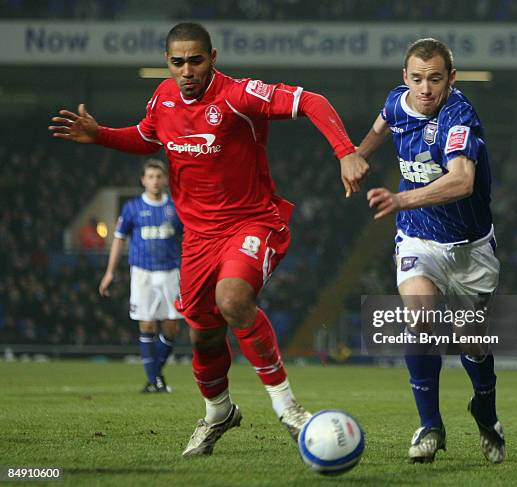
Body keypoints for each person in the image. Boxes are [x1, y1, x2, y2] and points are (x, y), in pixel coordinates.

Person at [49, 22, 369, 457]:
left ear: (212, 58)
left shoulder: (239, 96)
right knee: (203, 337)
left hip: (252, 223)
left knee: (234, 300)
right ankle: (218, 412)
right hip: (197, 239)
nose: (187, 70)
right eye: (178, 62)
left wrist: (345, 150)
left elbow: (312, 100)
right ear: (167, 62)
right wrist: (100, 134)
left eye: (196, 61)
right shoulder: (162, 99)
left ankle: (288, 407)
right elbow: (147, 138)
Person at [357, 38, 505, 464]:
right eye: (417, 78)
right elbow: (383, 122)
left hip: (470, 250)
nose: (425, 89)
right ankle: (430, 426)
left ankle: (485, 410)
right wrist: (357, 155)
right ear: (405, 78)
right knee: (421, 319)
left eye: (435, 79)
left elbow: (462, 182)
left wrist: (401, 199)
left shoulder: (460, 115)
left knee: (469, 341)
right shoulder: (398, 101)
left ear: (451, 79)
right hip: (419, 239)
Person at [98, 159, 182, 393]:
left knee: (172, 327)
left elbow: (189, 239)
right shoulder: (132, 208)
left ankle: (154, 377)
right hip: (142, 273)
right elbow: (118, 239)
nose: (155, 181)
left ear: (165, 179)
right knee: (146, 325)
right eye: (151, 177)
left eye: (159, 176)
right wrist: (110, 272)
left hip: (170, 272)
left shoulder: (175, 208)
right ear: (143, 180)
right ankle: (155, 380)